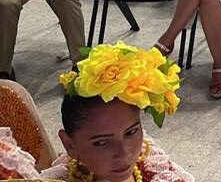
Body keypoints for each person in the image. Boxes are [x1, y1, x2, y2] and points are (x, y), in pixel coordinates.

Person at [39, 41, 192, 181]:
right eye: (101, 142)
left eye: (131, 132)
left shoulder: (152, 166)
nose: (124, 154)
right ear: (69, 145)